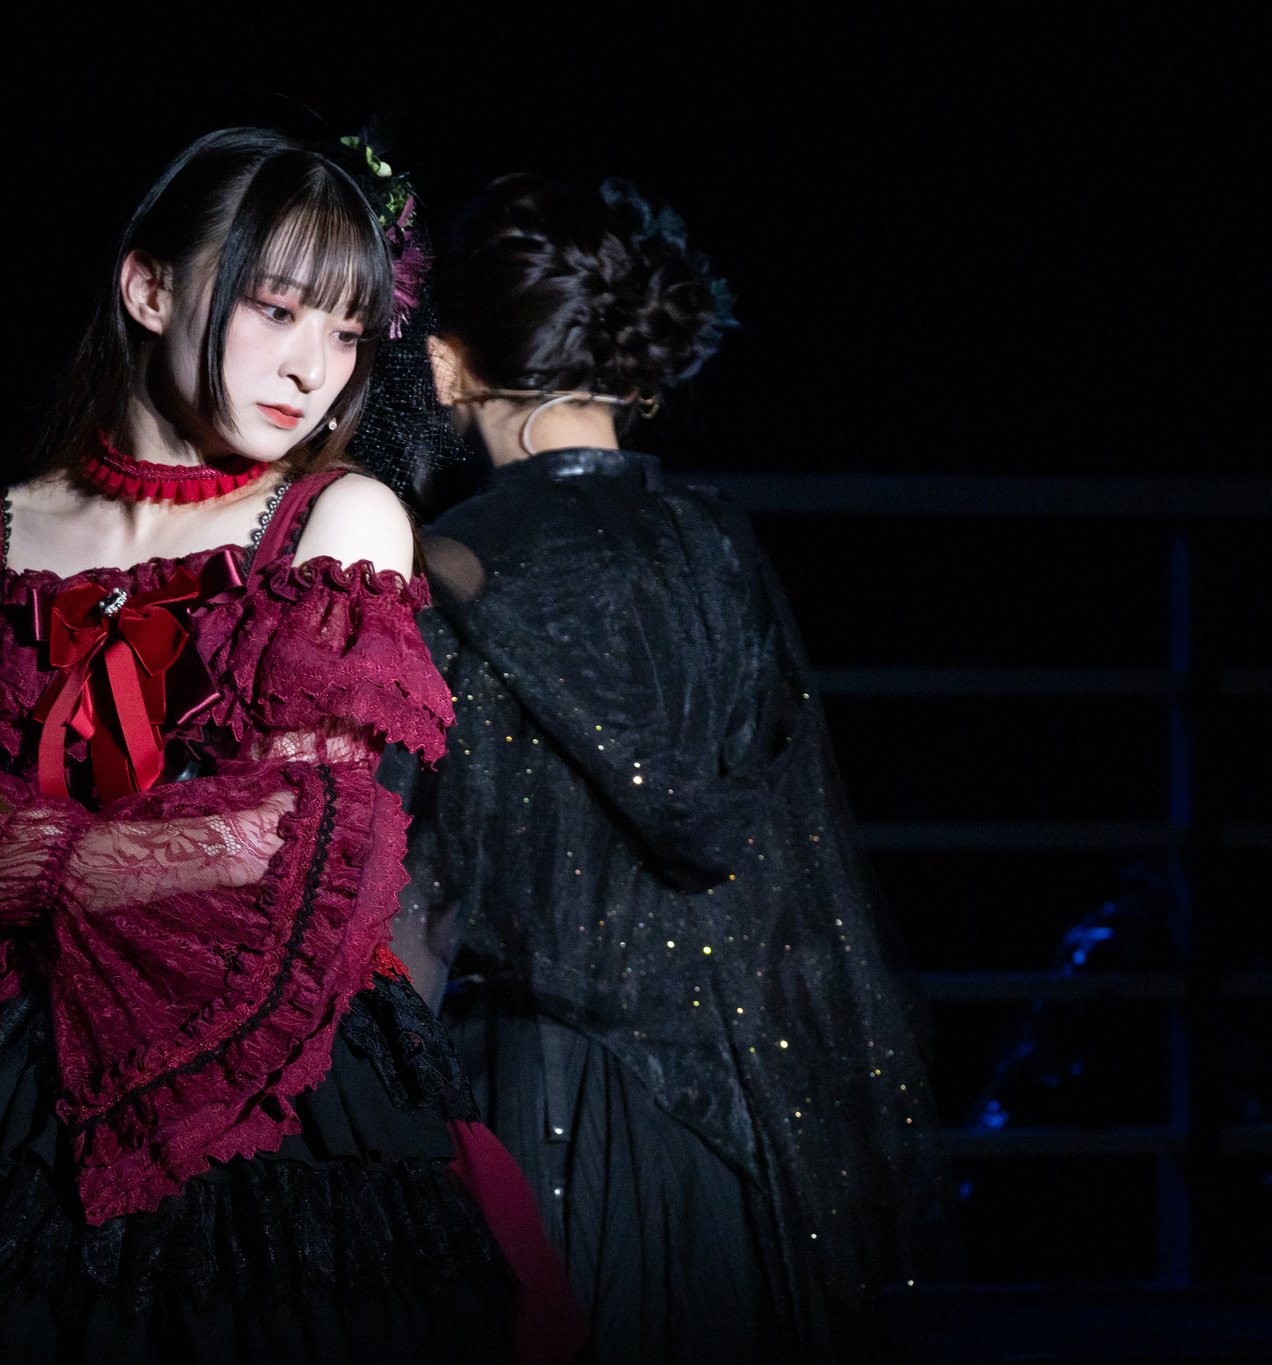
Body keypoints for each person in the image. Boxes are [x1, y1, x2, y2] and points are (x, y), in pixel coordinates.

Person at [0, 130, 579, 1365]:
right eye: (276, 310)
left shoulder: (337, 519)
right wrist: (140, 853)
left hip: (262, 1060)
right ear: (149, 287)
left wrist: (39, 852)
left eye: (346, 333)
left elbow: (292, 848)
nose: (313, 369)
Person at [392, 174, 939, 1363]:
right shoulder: (715, 549)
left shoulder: (439, 564)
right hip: (741, 1112)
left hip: (527, 1096)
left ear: (444, 365)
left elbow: (410, 870)